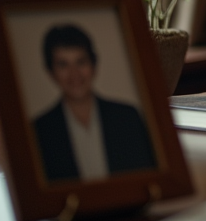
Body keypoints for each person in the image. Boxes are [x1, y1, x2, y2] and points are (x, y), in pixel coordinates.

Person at [32, 24, 157, 183]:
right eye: (63, 65)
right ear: (51, 72)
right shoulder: (39, 131)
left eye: (81, 62)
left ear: (94, 65)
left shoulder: (127, 117)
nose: (74, 74)